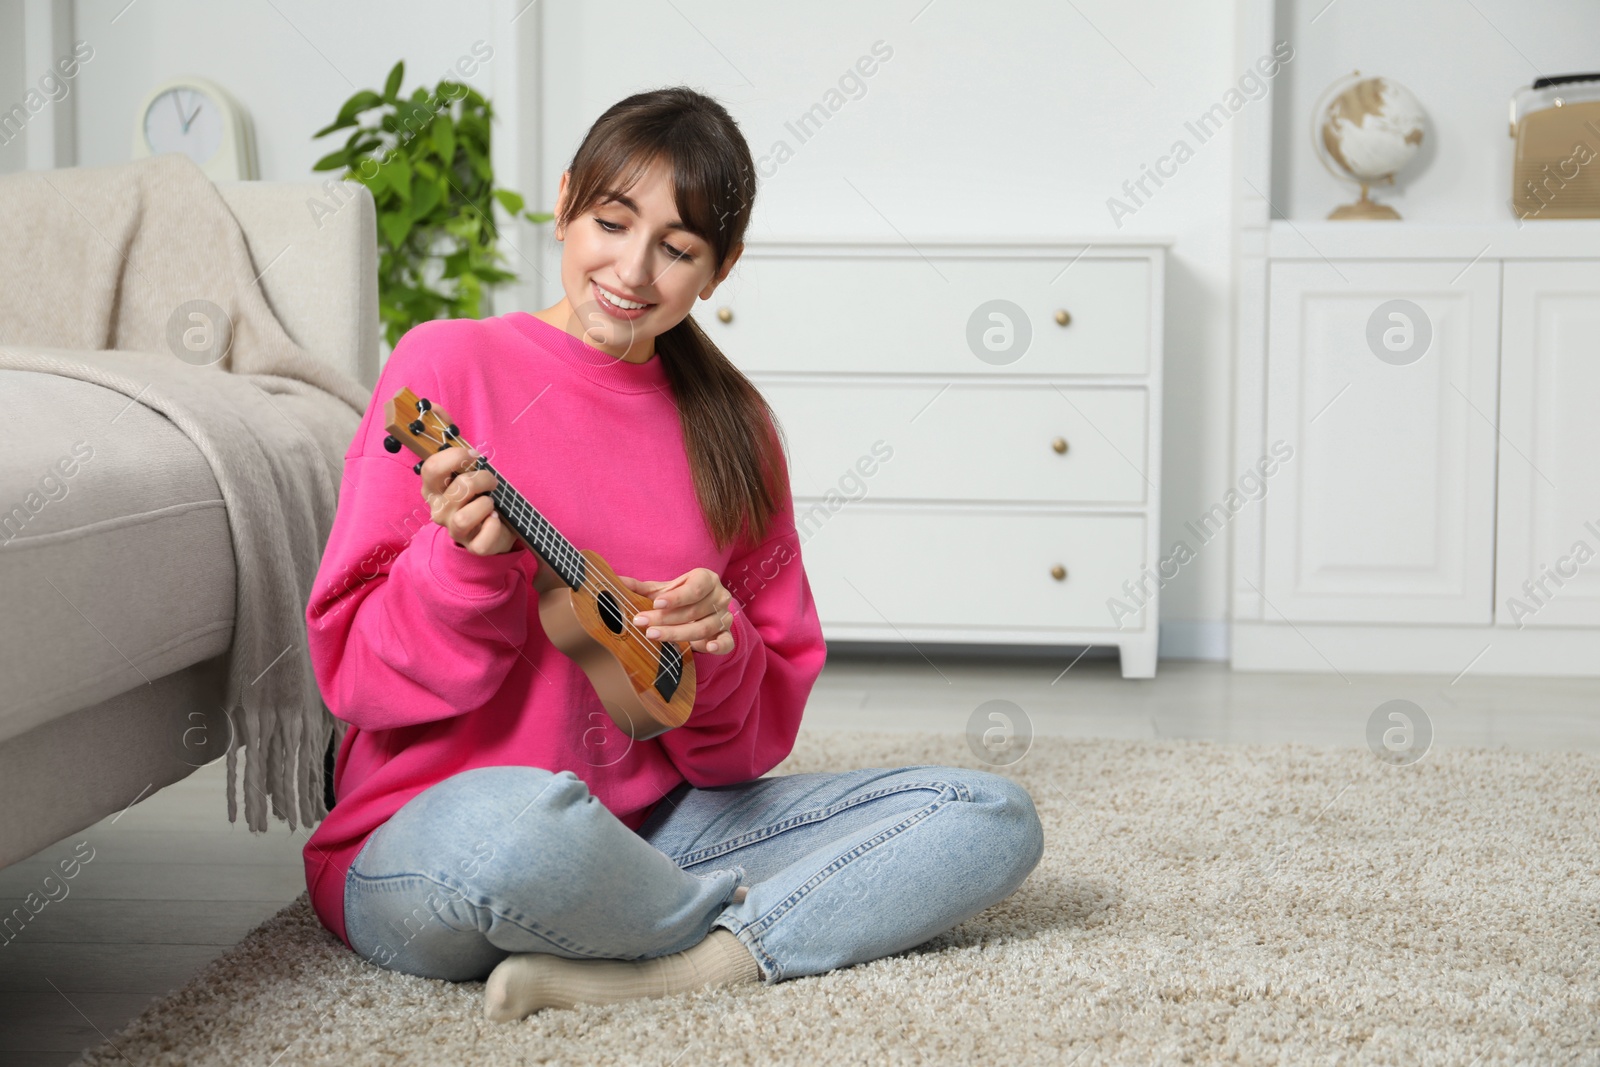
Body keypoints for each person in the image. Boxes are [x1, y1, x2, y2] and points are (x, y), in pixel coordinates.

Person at [301, 85, 1045, 1024]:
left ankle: (676, 965)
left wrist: (724, 647)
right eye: (612, 222)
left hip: (659, 834)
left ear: (718, 269)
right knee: (521, 829)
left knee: (987, 816)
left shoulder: (735, 430)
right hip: (435, 837)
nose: (633, 269)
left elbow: (746, 751)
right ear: (566, 200)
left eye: (679, 248)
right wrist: (462, 569)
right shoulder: (445, 365)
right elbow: (354, 683)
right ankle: (753, 921)